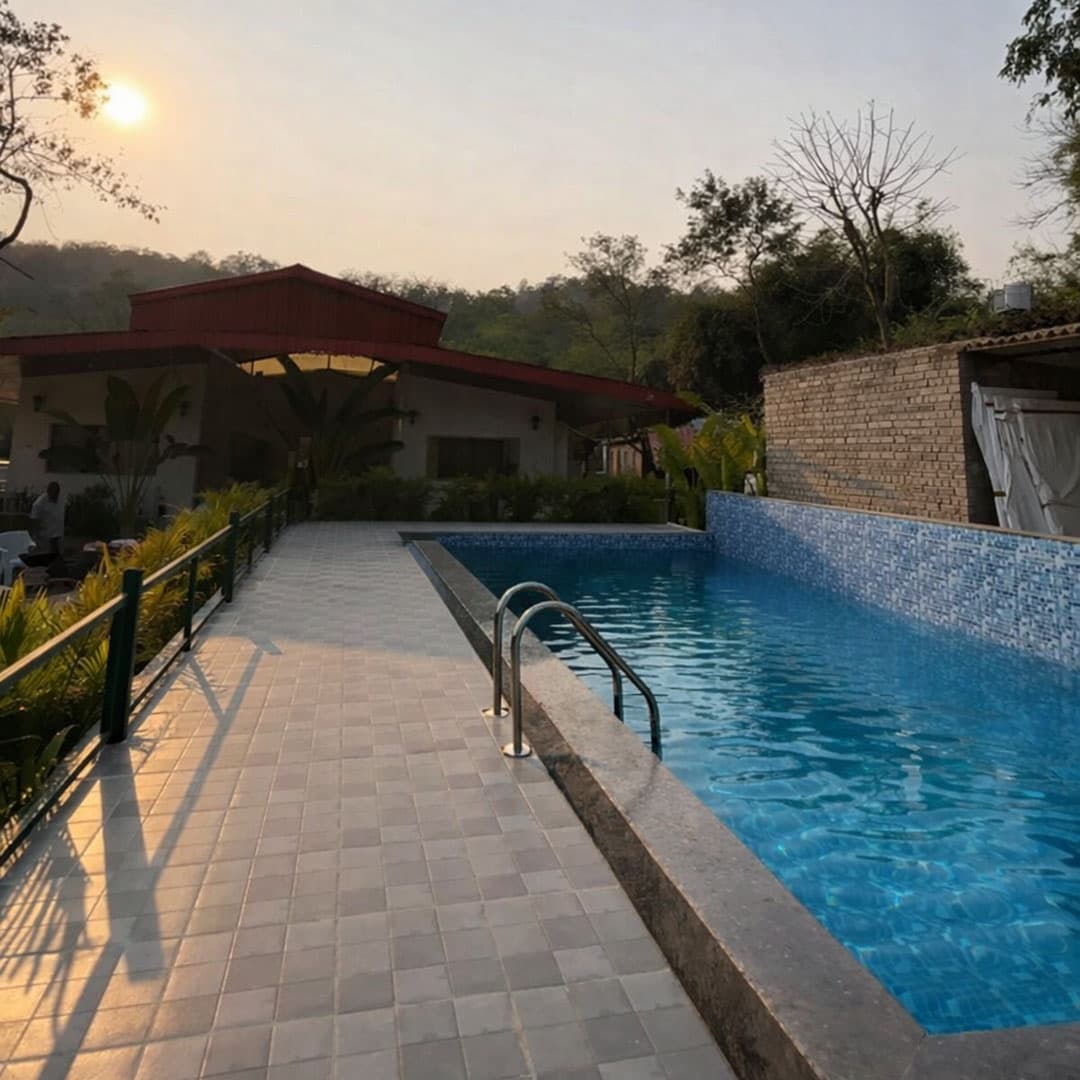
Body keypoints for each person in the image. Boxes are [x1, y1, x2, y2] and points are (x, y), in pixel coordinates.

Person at [30, 481, 65, 555]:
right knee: (47, 558)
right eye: (53, 493)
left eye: (56, 493)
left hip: (58, 536)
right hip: (46, 538)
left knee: (59, 558)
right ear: (48, 491)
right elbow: (34, 520)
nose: (55, 495)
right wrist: (36, 539)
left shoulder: (61, 500)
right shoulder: (39, 503)